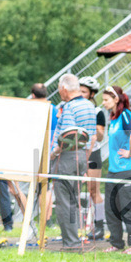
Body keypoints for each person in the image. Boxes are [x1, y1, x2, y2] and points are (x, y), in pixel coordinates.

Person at [50, 74, 98, 251]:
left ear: (64, 88)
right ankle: (74, 240)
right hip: (82, 156)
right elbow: (92, 137)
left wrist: (53, 154)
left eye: (59, 90)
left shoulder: (69, 107)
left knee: (64, 201)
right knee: (73, 199)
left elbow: (67, 137)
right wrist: (85, 157)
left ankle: (71, 243)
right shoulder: (90, 106)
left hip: (67, 157)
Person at [101, 85, 131, 252]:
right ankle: (116, 244)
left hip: (127, 169)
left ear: (116, 99)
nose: (103, 103)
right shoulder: (113, 118)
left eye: (106, 100)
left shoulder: (125, 114)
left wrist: (130, 152)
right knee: (111, 209)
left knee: (128, 208)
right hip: (113, 170)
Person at [79, 76, 107, 240]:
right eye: (79, 91)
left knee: (93, 190)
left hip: (94, 153)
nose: (81, 94)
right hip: (78, 152)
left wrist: (94, 128)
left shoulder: (98, 112)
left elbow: (101, 137)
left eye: (84, 92)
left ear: (91, 94)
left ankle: (99, 226)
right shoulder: (76, 109)